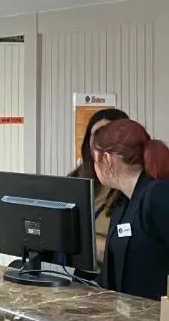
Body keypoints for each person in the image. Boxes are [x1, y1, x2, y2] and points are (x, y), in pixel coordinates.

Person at [91, 119, 169, 300]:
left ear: (107, 159)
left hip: (156, 314)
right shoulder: (123, 201)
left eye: (95, 160)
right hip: (127, 311)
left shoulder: (158, 195)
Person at [68, 108, 130, 265]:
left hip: (114, 274)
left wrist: (95, 247)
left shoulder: (134, 185)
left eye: (109, 134)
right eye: (97, 134)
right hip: (76, 271)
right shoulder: (76, 178)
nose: (103, 142)